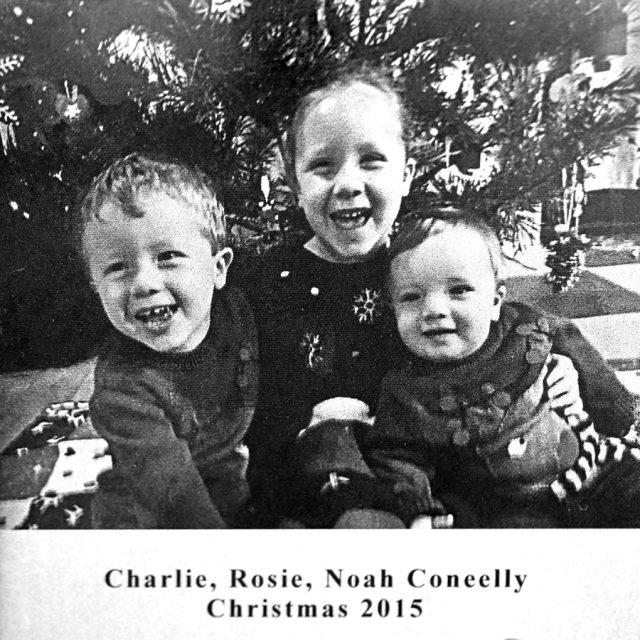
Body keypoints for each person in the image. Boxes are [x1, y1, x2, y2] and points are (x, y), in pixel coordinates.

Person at [242, 63, 582, 528]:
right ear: (295, 182)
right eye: (322, 165)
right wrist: (309, 418)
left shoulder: (424, 268)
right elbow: (241, 402)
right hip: (325, 475)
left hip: (435, 475)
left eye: (371, 161)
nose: (347, 183)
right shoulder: (268, 283)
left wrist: (548, 371)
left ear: (406, 175)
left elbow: (503, 327)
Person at [359, 211, 639, 528]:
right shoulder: (404, 390)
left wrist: (609, 407)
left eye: (459, 290)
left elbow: (574, 346)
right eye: (411, 296)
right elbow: (396, 458)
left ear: (495, 302)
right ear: (393, 309)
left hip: (595, 468)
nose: (434, 310)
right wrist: (422, 508)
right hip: (513, 507)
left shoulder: (525, 331)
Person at [79, 153, 258, 528]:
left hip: (224, 477)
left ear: (218, 268)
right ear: (96, 289)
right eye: (117, 268)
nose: (144, 282)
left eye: (168, 257)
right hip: (152, 509)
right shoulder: (122, 389)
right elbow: (177, 502)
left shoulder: (240, 313)